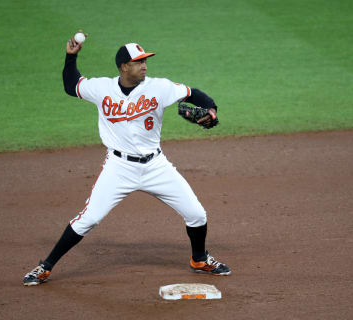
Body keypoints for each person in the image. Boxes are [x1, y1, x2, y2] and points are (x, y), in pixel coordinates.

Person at [23, 32, 231, 286]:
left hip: (156, 166)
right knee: (88, 219)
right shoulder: (102, 88)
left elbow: (193, 93)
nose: (144, 66)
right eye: (138, 62)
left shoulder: (160, 87)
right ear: (124, 67)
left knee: (197, 214)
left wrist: (211, 109)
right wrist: (70, 57)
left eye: (145, 61)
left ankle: (199, 259)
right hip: (119, 167)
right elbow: (71, 85)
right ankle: (45, 267)